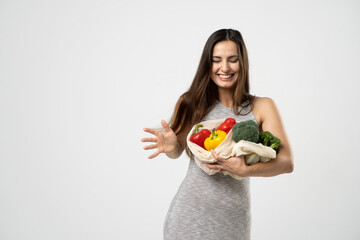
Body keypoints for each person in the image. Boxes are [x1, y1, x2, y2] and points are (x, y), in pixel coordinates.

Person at [141, 29, 293, 240]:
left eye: (233, 60)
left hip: (233, 221)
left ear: (243, 63)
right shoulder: (191, 102)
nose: (225, 67)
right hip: (188, 218)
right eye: (216, 60)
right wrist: (172, 147)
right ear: (208, 64)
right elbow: (179, 151)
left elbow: (286, 162)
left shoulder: (262, 107)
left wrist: (246, 169)